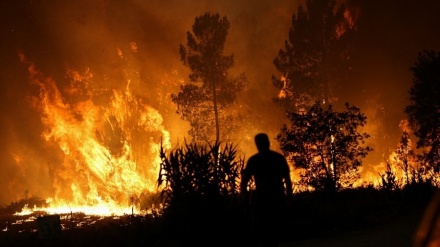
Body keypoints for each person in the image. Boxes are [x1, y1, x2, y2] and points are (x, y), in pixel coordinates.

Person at [241, 133, 293, 247]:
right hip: (263, 199)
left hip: (275, 198)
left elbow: (288, 180)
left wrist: (289, 198)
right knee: (265, 229)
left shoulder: (274, 159)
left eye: (262, 143)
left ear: (267, 143)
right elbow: (244, 181)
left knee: (273, 229)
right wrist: (244, 197)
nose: (260, 146)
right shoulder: (257, 160)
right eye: (258, 144)